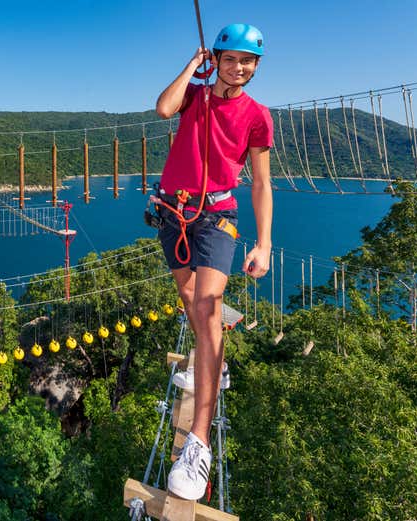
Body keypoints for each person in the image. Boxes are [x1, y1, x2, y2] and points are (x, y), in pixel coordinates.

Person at [152, 23, 273, 500]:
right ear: (216, 59)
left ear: (256, 66)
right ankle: (215, 363)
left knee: (207, 306)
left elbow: (260, 183)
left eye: (248, 61)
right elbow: (163, 107)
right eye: (230, 58)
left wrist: (263, 243)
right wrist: (190, 67)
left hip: (217, 215)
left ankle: (198, 441)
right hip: (171, 210)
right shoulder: (195, 96)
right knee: (189, 297)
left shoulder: (258, 116)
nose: (239, 67)